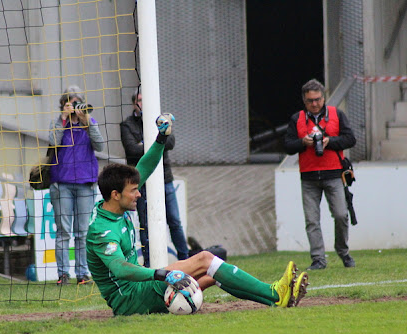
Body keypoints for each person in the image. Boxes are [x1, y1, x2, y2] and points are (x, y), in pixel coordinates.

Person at [87, 113, 308, 316]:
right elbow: (119, 268)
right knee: (205, 259)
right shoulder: (101, 231)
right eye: (133, 191)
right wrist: (162, 274)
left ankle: (276, 301)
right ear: (116, 195)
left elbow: (144, 166)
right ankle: (276, 292)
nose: (138, 194)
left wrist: (161, 138)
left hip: (141, 288)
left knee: (213, 274)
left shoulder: (114, 204)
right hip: (130, 299)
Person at [284, 79, 357, 270]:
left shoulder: (336, 114)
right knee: (312, 221)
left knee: (341, 215)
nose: (314, 104)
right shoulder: (296, 119)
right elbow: (287, 145)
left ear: (323, 98)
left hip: (334, 174)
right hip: (308, 177)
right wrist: (303, 143)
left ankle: (343, 252)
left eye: (317, 99)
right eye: (310, 101)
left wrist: (329, 141)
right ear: (304, 101)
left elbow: (351, 139)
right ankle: (318, 259)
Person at [120, 90, 189, 266]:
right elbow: (131, 150)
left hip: (164, 178)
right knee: (145, 224)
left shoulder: (161, 121)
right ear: (134, 103)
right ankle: (149, 263)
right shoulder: (127, 124)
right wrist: (157, 141)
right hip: (141, 180)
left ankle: (185, 260)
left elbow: (171, 142)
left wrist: (145, 142)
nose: (143, 103)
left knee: (174, 221)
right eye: (140, 100)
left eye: (146, 100)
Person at [49, 86, 105, 286]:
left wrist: (86, 122)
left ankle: (83, 273)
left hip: (85, 183)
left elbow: (100, 145)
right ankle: (63, 274)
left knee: (83, 232)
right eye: (71, 103)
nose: (75, 107)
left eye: (77, 102)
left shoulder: (89, 123)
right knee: (63, 231)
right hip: (61, 183)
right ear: (64, 105)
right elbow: (53, 142)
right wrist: (63, 119)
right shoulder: (58, 123)